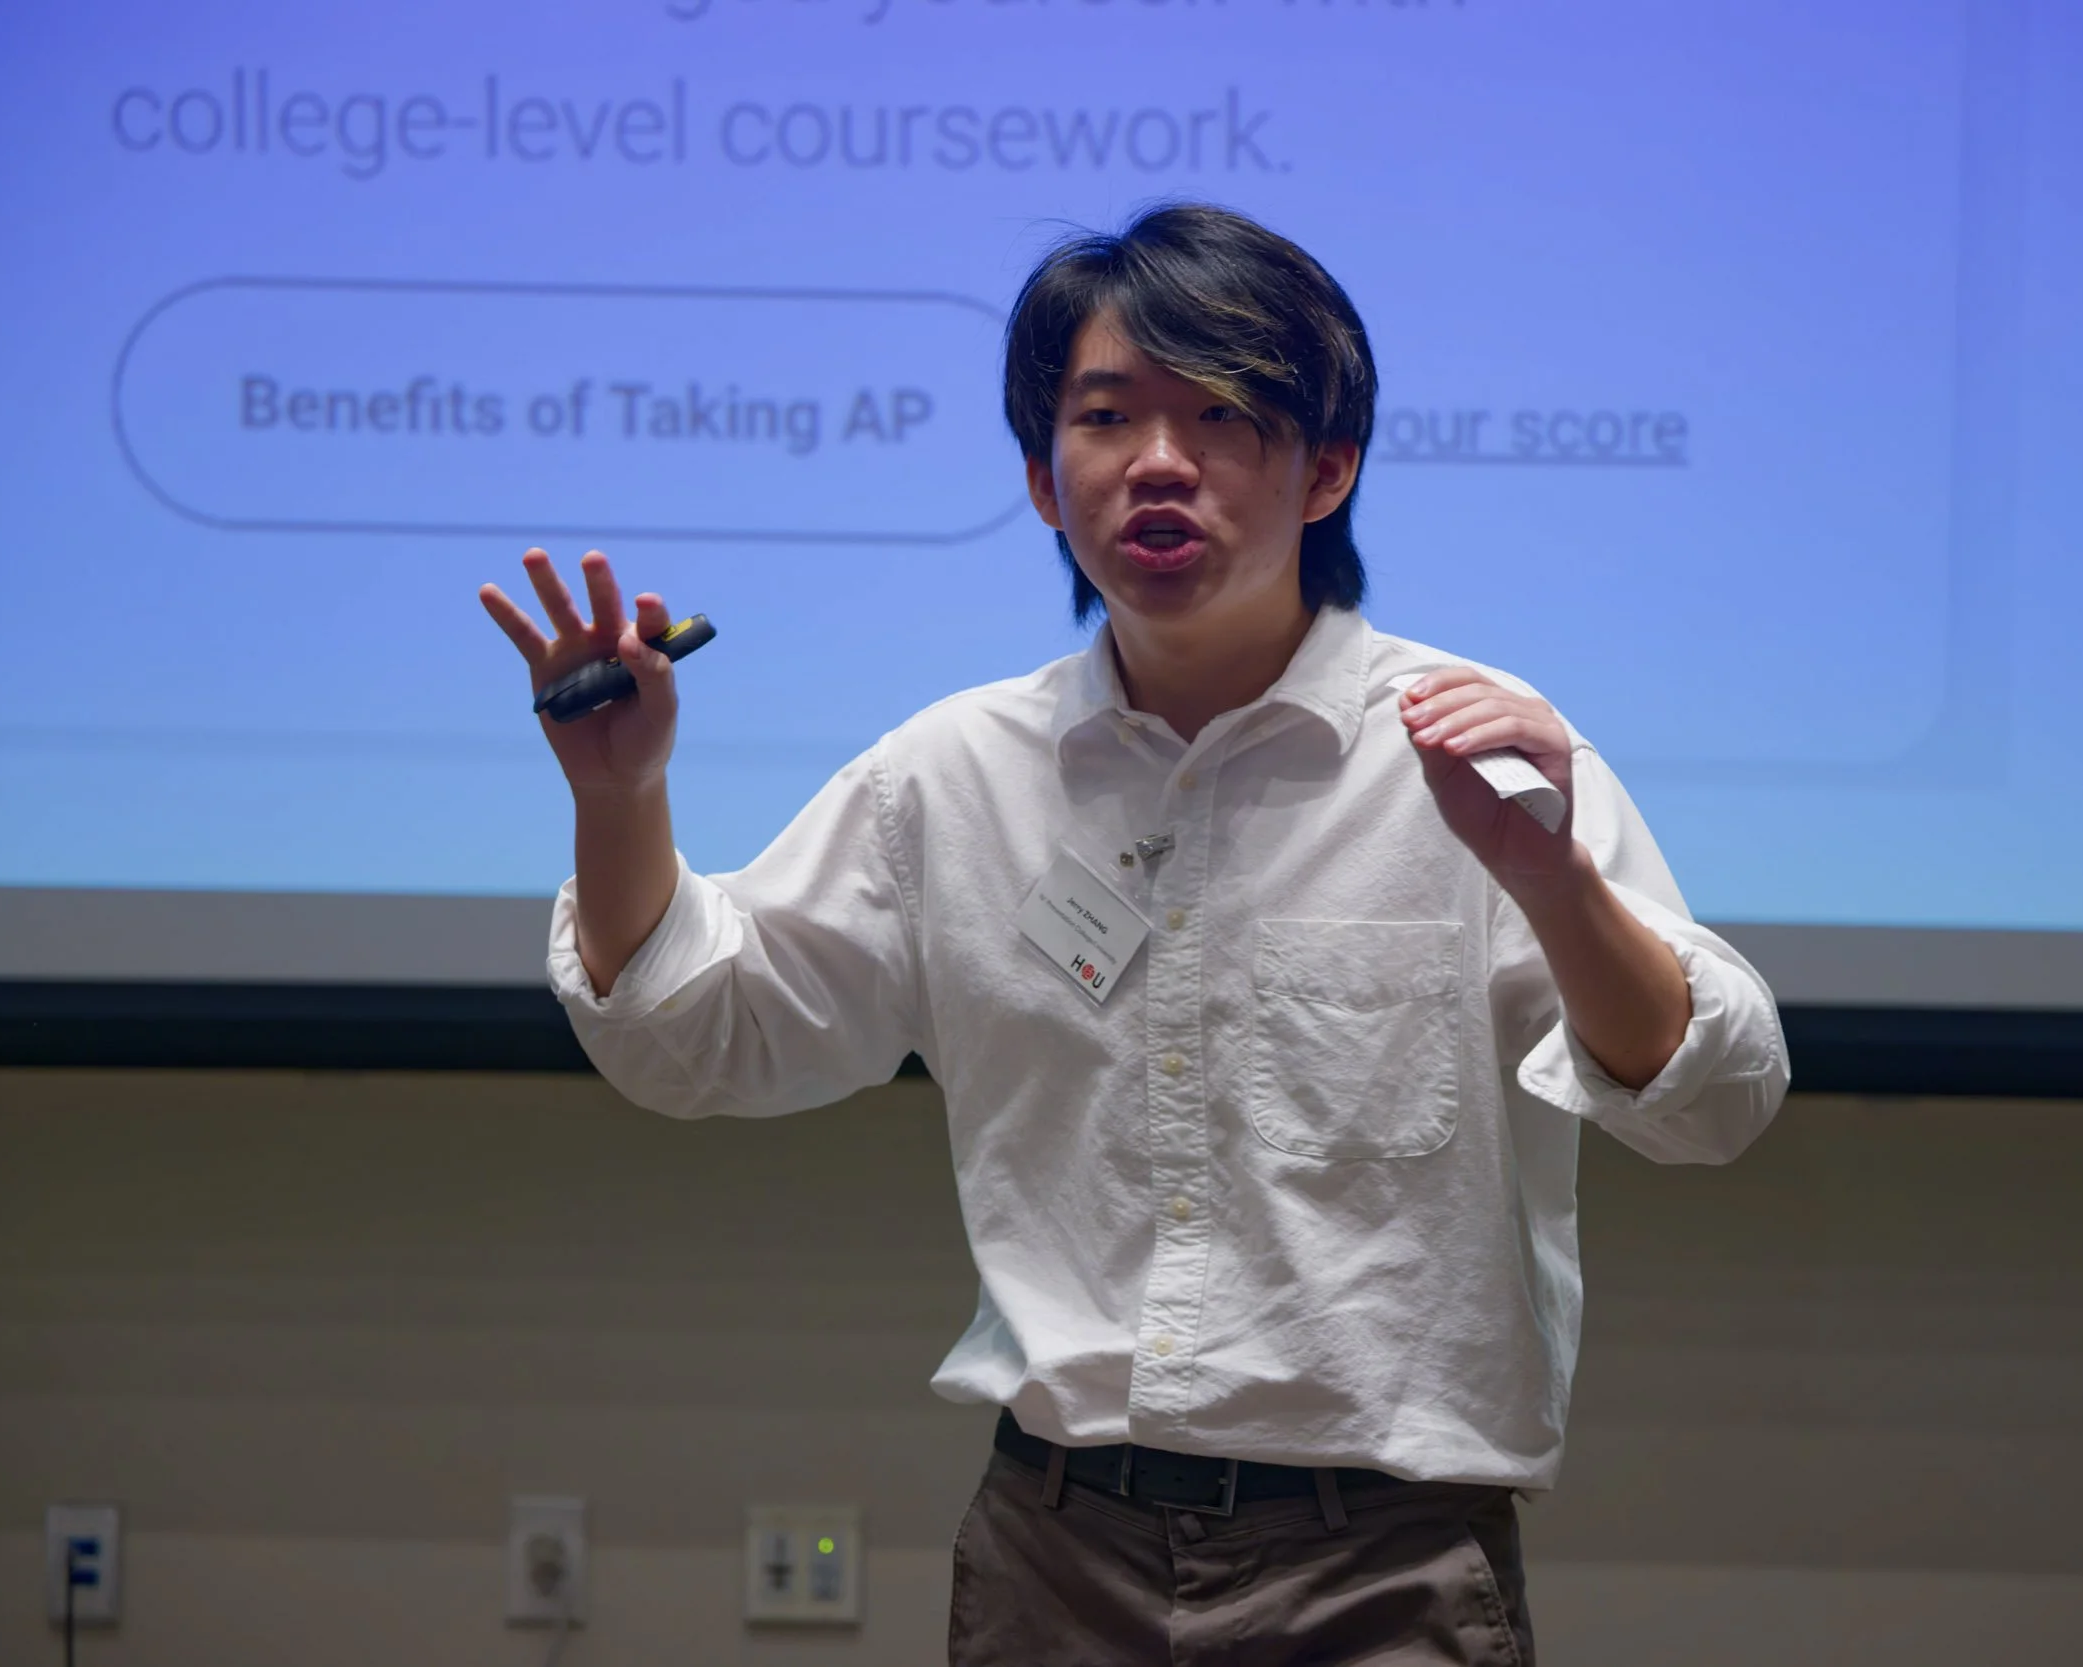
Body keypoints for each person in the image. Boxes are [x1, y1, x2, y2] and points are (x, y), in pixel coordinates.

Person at [480, 202, 1788, 1666]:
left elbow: (1718, 1100)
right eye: (1106, 417)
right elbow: (700, 1039)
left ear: (1328, 467)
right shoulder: (954, 771)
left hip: (1381, 1564)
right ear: (1045, 481)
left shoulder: (1477, 754)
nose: (1158, 461)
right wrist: (623, 797)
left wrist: (1554, 881)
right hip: (1057, 1555)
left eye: (1220, 414)